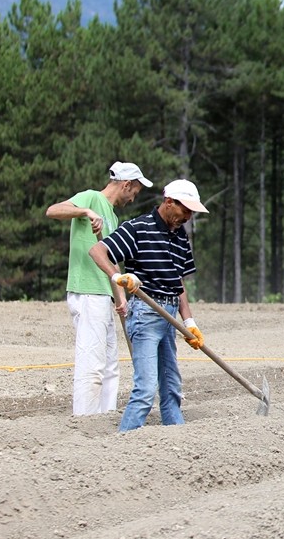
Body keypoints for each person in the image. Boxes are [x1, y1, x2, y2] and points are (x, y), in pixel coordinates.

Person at [88, 179, 210, 432]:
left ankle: (176, 439)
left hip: (170, 316)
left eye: (191, 212)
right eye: (185, 210)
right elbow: (97, 251)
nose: (188, 217)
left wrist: (189, 322)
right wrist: (116, 277)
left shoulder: (180, 237)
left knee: (171, 388)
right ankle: (125, 442)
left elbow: (179, 282)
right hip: (146, 314)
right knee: (145, 389)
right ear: (168, 202)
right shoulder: (138, 228)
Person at [45, 161, 152, 415]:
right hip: (88, 292)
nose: (134, 197)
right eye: (135, 190)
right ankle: (84, 420)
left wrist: (120, 298)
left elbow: (111, 262)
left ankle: (106, 417)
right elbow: (53, 211)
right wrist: (85, 212)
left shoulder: (113, 216)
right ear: (126, 185)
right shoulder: (92, 198)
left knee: (110, 365)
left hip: (104, 294)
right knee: (91, 364)